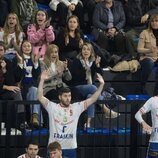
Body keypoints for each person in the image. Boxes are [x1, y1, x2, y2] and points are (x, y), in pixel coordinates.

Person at [37, 70, 105, 158]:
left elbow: (92, 99)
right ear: (59, 97)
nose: (68, 98)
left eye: (69, 96)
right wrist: (42, 80)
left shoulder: (76, 107)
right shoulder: (52, 107)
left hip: (70, 147)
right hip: (54, 148)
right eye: (65, 96)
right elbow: (40, 97)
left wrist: (102, 85)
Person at [69, 42, 119, 128]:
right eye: (84, 49)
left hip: (89, 89)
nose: (86, 51)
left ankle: (88, 123)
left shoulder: (91, 62)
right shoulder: (76, 61)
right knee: (93, 87)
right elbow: (75, 77)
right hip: (77, 88)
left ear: (91, 52)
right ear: (81, 51)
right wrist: (85, 67)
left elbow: (100, 75)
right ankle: (106, 109)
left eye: (88, 49)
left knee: (91, 96)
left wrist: (97, 65)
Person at [16, 40, 43, 127]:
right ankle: (38, 119)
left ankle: (35, 118)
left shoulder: (34, 59)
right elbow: (17, 77)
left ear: (31, 48)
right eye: (24, 46)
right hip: (23, 87)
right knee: (35, 91)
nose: (27, 48)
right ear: (21, 48)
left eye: (29, 46)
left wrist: (35, 63)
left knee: (34, 90)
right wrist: (20, 64)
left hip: (32, 86)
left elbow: (37, 75)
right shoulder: (16, 59)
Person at [137, 14, 158, 95]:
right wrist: (149, 50)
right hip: (146, 57)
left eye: (156, 21)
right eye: (152, 21)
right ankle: (142, 85)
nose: (154, 23)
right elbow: (139, 49)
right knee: (149, 63)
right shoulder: (144, 33)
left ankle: (156, 92)